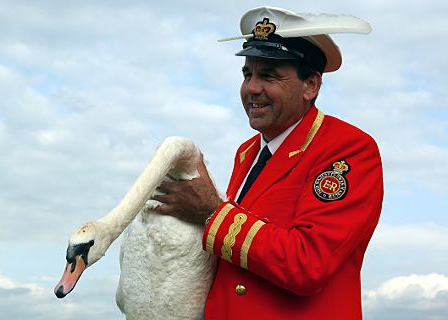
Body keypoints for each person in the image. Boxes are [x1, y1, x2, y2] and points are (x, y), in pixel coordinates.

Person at [154, 6, 383, 320]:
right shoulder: (246, 153)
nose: (252, 88)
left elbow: (308, 264)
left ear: (311, 86)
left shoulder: (348, 149)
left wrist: (209, 211)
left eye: (270, 76)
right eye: (248, 74)